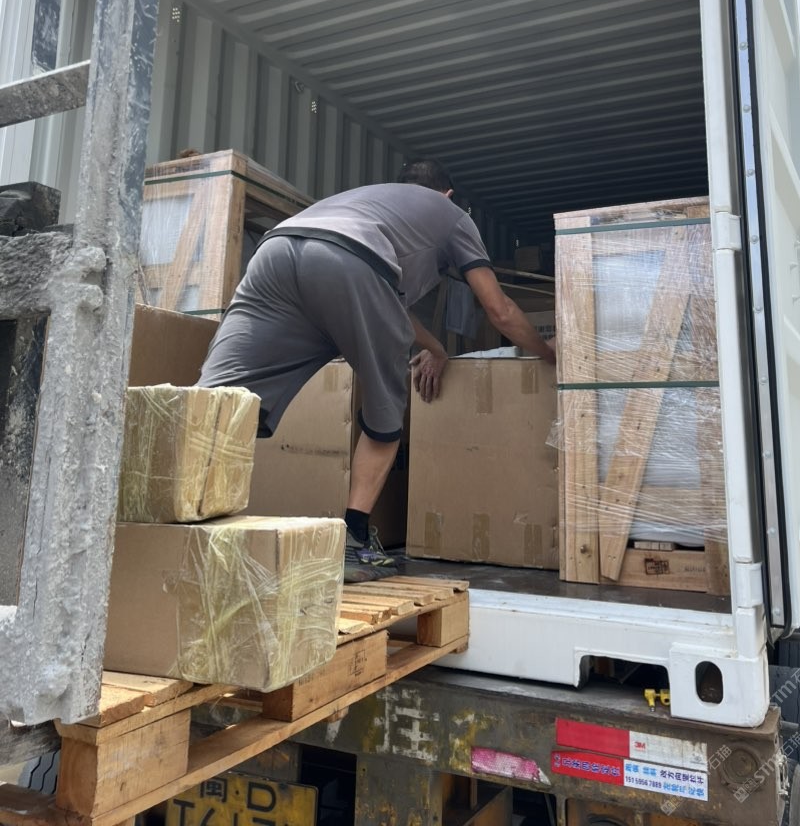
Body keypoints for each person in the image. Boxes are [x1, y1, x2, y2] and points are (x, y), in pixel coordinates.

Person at [198, 160, 556, 582]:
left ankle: (182, 510)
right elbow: (499, 309)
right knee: (385, 412)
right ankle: (353, 539)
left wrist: (436, 348)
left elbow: (389, 305)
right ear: (448, 195)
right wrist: (549, 354)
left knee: (216, 402)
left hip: (275, 254)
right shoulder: (454, 216)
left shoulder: (369, 202)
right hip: (351, 263)